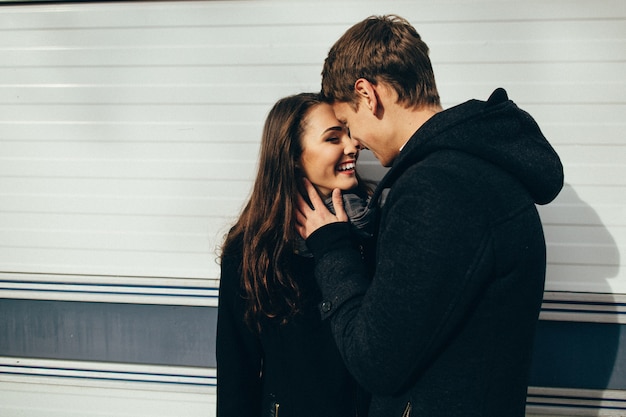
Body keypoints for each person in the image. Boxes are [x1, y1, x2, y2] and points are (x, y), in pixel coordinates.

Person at [295, 15, 564, 417]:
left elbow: (375, 361)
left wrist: (334, 250)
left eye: (349, 123)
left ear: (367, 94)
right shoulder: (484, 169)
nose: (356, 144)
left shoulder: (435, 189)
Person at [216, 92, 372, 417]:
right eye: (333, 138)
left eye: (348, 132)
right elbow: (236, 373)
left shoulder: (376, 228)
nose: (352, 146)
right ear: (293, 156)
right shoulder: (251, 247)